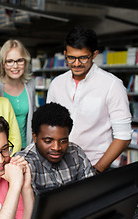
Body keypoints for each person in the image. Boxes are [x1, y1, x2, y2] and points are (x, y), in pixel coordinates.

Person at [46, 27, 132, 173]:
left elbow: (123, 136)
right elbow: (48, 125)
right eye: (71, 57)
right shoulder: (57, 84)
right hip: (57, 165)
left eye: (83, 57)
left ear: (94, 55)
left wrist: (97, 170)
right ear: (65, 54)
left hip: (94, 165)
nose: (77, 63)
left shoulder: (112, 85)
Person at [15, 102, 96, 195]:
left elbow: (91, 192)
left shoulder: (76, 153)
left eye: (63, 141)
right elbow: (29, 207)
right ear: (35, 137)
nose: (56, 148)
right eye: (48, 141)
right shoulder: (24, 163)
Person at [0, 39, 36, 148]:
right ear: (3, 63)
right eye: (9, 61)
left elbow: (33, 117)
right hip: (2, 149)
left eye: (19, 60)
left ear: (25, 61)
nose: (15, 66)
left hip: (26, 147)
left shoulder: (30, 85)